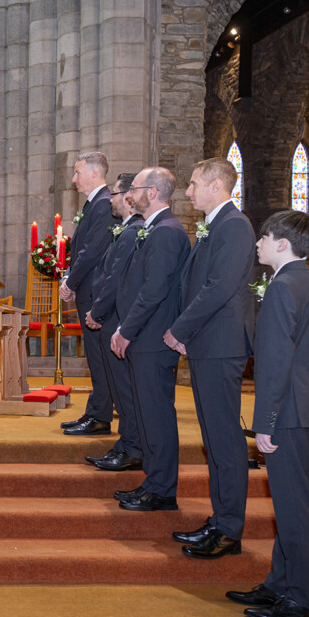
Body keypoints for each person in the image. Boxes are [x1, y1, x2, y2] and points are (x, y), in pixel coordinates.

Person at [227, 210, 309, 617]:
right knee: (292, 505)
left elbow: (274, 363)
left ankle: (302, 600)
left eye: (265, 237)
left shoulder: (284, 288)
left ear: (283, 244)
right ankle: (280, 584)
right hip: (308, 408)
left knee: (295, 510)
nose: (258, 244)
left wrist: (265, 421)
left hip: (288, 412)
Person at [165, 158, 256, 559]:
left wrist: (180, 329)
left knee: (225, 440)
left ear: (217, 185)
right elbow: (195, 284)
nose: (188, 191)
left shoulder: (234, 226)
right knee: (214, 439)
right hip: (208, 344)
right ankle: (220, 520)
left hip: (221, 347)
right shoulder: (215, 225)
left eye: (194, 183)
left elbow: (219, 288)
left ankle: (230, 529)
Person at [109, 167, 191, 512]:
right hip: (145, 337)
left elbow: (155, 289)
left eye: (137, 189)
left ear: (152, 193)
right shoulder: (155, 228)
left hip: (153, 340)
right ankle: (153, 482)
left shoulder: (166, 232)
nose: (131, 194)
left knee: (156, 416)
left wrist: (126, 329)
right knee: (147, 414)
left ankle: (162, 489)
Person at [83, 173, 144, 471]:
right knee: (122, 391)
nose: (111, 199)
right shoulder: (127, 229)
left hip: (117, 319)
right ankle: (126, 444)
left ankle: (131, 447)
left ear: (129, 197)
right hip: (113, 319)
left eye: (116, 194)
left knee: (126, 392)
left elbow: (115, 279)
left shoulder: (133, 232)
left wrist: (97, 311)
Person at [59, 152, 115, 436]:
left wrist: (70, 281)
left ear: (95, 173)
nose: (73, 179)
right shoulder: (95, 204)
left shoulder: (104, 204)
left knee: (99, 355)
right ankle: (96, 412)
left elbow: (92, 250)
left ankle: (100, 416)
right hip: (89, 289)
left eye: (78, 172)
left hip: (95, 291)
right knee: (95, 356)